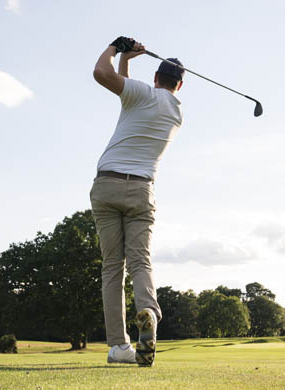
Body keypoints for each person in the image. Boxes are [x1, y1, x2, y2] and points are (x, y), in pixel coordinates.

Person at [90, 36, 185, 366]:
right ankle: (148, 314)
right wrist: (128, 61)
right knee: (141, 262)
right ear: (180, 85)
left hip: (106, 186)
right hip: (142, 191)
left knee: (112, 268)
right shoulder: (175, 113)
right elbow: (126, 88)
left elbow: (101, 74)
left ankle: (119, 346)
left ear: (156, 78)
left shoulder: (142, 93)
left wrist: (115, 48)